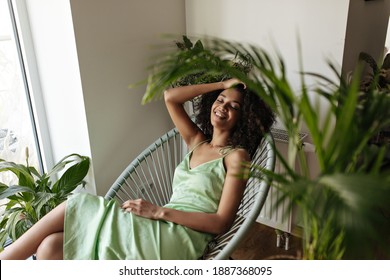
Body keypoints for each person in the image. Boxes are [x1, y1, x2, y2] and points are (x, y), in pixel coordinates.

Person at [0, 78, 275, 260]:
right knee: (50, 248)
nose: (222, 107)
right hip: (160, 224)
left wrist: (158, 211)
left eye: (234, 106)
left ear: (244, 118)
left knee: (75, 204)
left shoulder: (236, 157)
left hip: (179, 238)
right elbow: (170, 97)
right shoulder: (196, 141)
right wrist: (222, 83)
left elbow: (220, 222)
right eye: (220, 99)